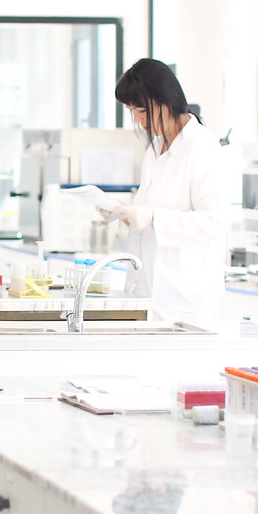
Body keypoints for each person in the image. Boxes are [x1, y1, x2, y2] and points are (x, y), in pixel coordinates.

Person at [107, 59, 234, 330]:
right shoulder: (155, 150)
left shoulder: (202, 147)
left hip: (188, 306)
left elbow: (215, 221)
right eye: (132, 112)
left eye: (142, 110)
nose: (139, 121)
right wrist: (123, 211)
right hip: (149, 298)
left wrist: (152, 218)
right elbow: (148, 214)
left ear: (166, 100)